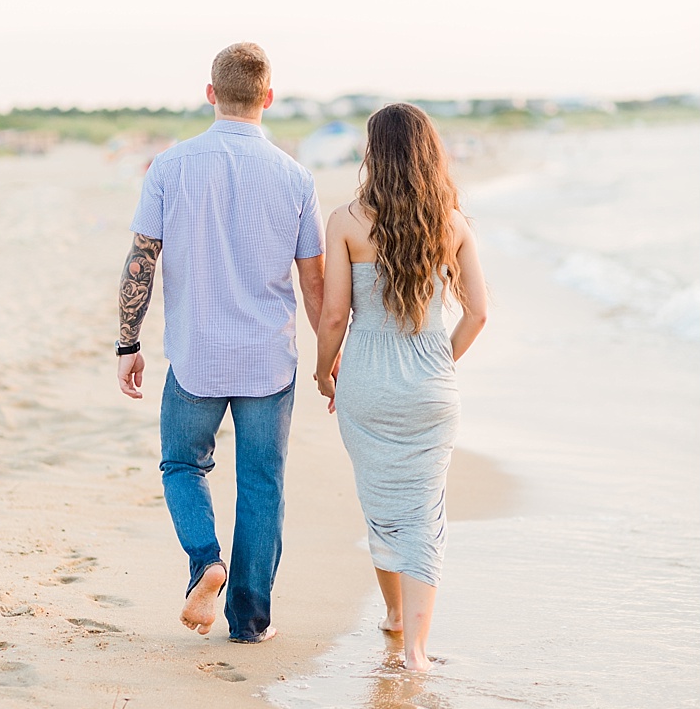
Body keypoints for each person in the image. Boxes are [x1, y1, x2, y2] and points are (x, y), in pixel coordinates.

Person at [117, 42, 325, 643]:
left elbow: (141, 261)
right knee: (263, 483)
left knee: (183, 464)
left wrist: (127, 344)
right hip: (268, 359)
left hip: (196, 355)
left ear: (210, 94)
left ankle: (205, 562)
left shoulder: (170, 167)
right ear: (268, 97)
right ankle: (250, 622)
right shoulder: (294, 176)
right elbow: (313, 281)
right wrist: (329, 361)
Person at [313, 103, 488, 673]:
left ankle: (392, 613)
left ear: (373, 153)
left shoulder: (345, 220)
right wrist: (441, 361)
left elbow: (335, 316)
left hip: (365, 381)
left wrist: (323, 371)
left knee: (381, 506)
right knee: (424, 511)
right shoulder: (453, 223)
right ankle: (413, 648)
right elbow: (478, 314)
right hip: (431, 385)